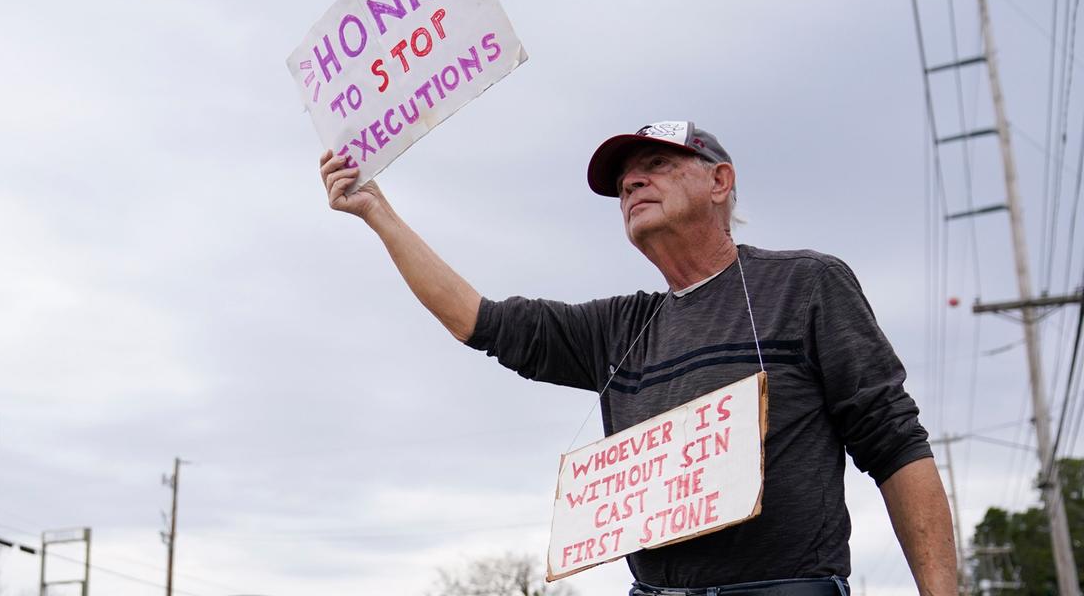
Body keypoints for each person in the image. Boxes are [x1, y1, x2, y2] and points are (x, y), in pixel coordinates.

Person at [318, 121, 956, 596]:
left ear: (719, 180)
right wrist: (376, 211)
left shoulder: (805, 285)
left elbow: (894, 444)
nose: (632, 182)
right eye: (624, 181)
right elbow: (477, 319)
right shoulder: (620, 327)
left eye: (656, 164)